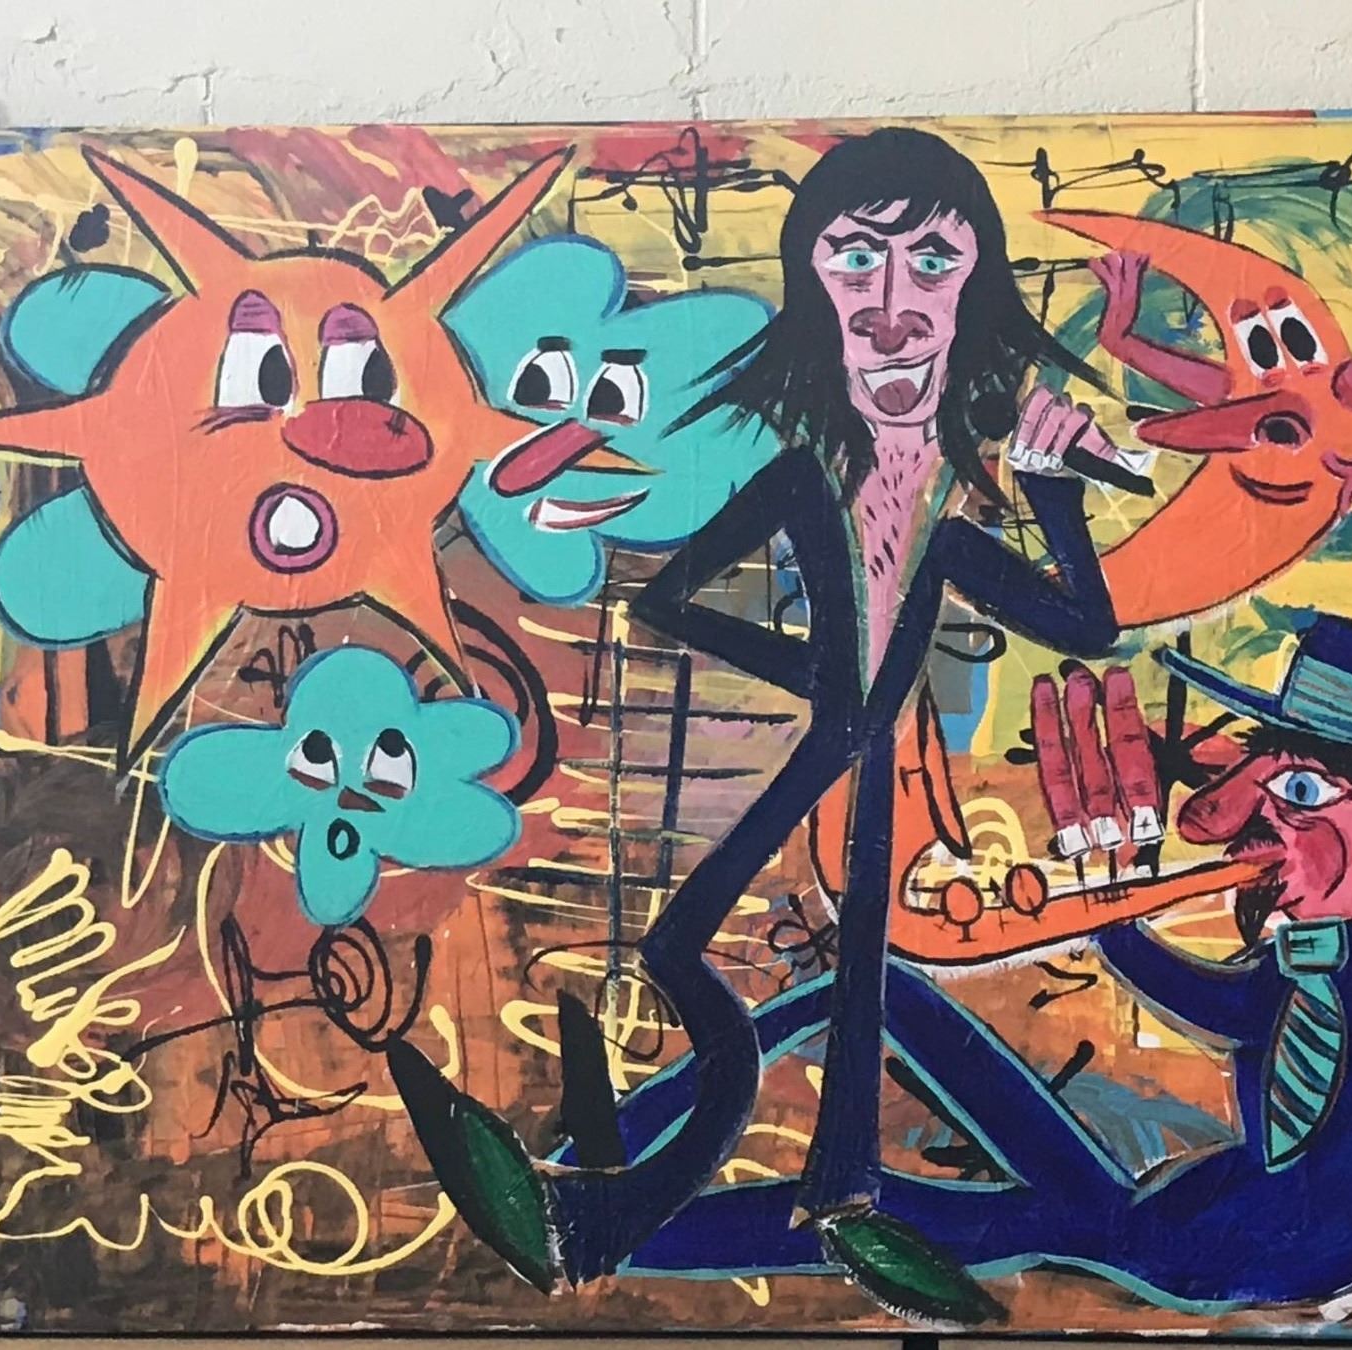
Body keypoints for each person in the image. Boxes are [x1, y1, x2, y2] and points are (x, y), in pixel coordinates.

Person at [388, 126, 1128, 1322]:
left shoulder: (954, 509)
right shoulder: (803, 477)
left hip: (868, 782)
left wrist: (1055, 498)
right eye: (855, 261)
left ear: (977, 290)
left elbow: (1086, 625)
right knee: (688, 952)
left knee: (834, 983)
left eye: (933, 263)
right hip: (837, 749)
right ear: (812, 289)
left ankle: (782, 1202)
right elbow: (673, 600)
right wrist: (818, 677)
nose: (891, 308)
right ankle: (733, 1203)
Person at [575, 615, 1352, 1326]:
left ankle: (604, 1226)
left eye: (1304, 792)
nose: (1257, 816)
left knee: (899, 1209)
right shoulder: (1285, 971)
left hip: (1230, 1251)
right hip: (1169, 1217)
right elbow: (1196, 998)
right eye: (1263, 782)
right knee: (865, 998)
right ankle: (602, 1169)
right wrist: (1110, 900)